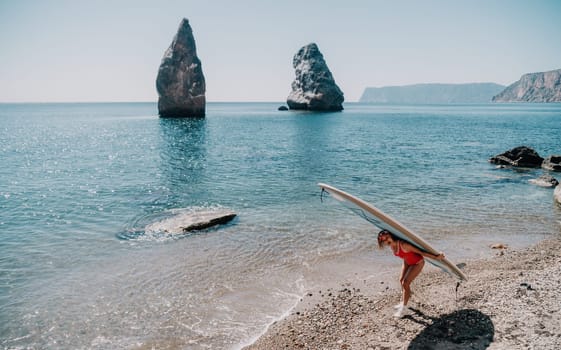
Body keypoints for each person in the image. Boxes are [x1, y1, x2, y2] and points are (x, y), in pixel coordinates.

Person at [377, 229, 445, 317]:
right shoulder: (392, 246)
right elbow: (405, 255)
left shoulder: (403, 245)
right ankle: (404, 302)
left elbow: (421, 252)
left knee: (405, 283)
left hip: (417, 263)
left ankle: (404, 308)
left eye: (387, 237)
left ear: (391, 235)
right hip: (407, 262)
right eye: (383, 240)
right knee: (401, 280)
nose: (386, 240)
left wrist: (436, 257)